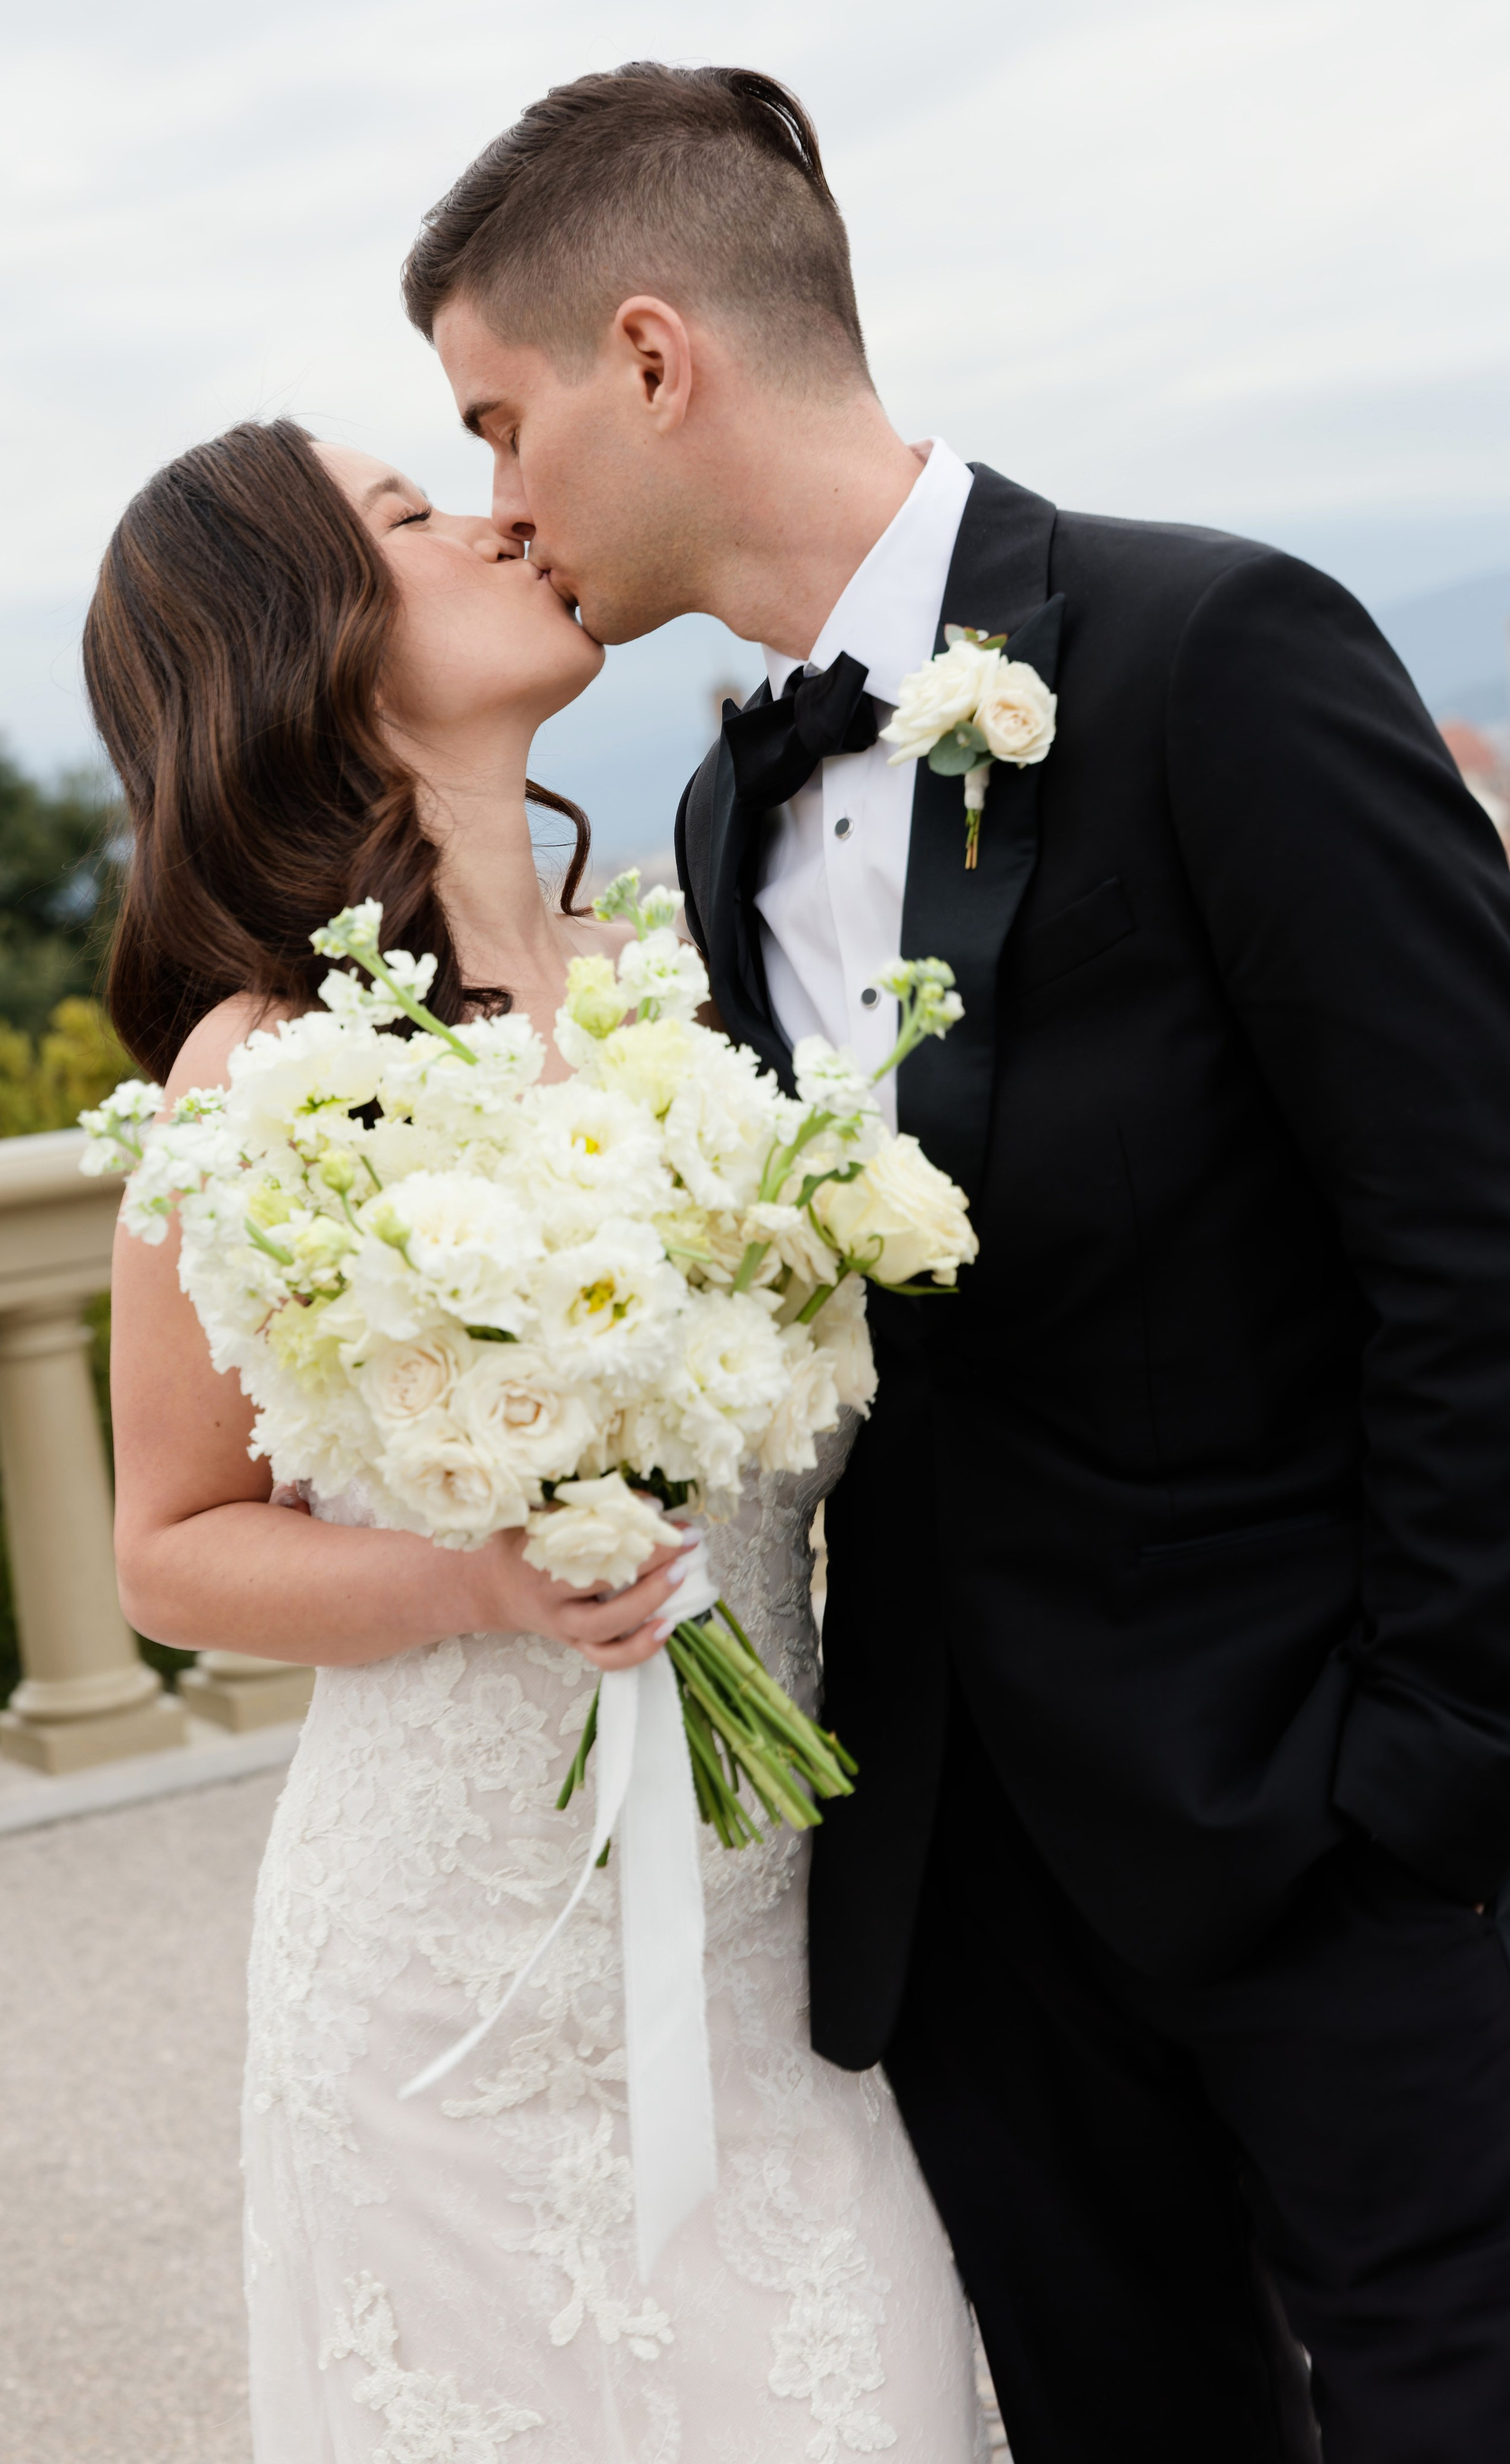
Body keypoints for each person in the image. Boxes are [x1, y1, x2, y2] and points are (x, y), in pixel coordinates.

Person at [405, 59, 1510, 2463]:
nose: (500, 500)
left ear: (656, 357)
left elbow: (1473, 1224)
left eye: (503, 421)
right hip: (966, 1901)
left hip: (1333, 1840)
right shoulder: (719, 809)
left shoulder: (1218, 647)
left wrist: (1426, 1785)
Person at [86, 417, 980, 2463]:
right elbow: (171, 1540)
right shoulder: (265, 1063)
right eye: (411, 513)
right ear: (300, 638)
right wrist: (476, 1578)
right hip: (447, 1995)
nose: (499, 512)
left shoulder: (692, 975)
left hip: (777, 1941)